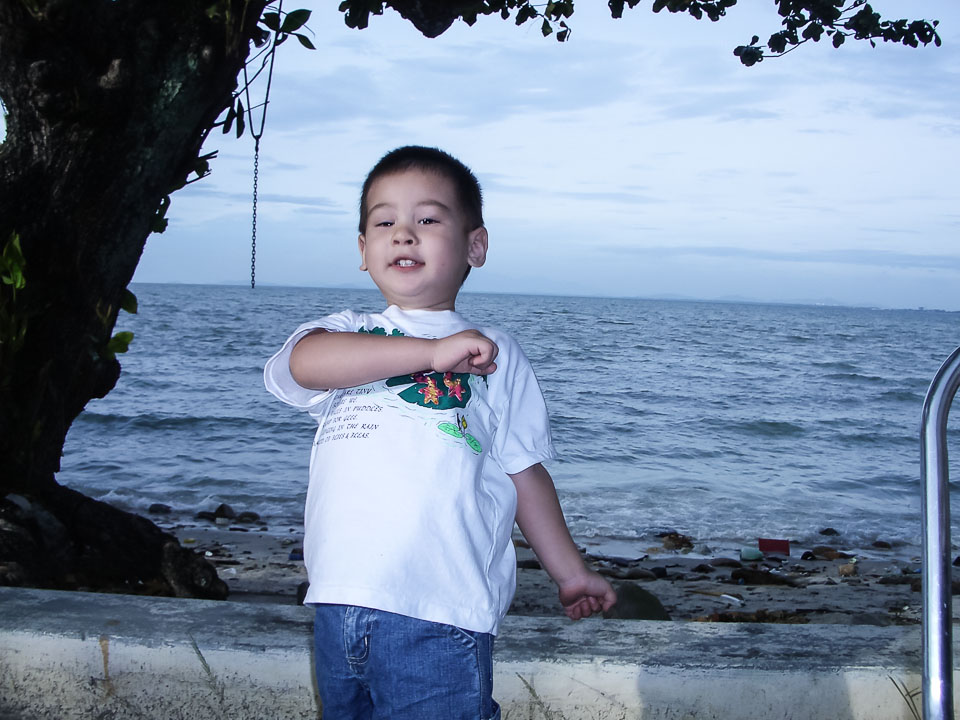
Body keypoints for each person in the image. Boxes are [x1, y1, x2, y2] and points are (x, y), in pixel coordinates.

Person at [264, 146, 616, 719]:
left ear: (475, 246)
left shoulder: (495, 354)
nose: (404, 234)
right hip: (339, 600)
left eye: (427, 219)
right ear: (363, 250)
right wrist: (430, 353)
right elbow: (304, 364)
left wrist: (571, 572)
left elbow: (524, 472)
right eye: (384, 223)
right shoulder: (350, 331)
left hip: (441, 608)